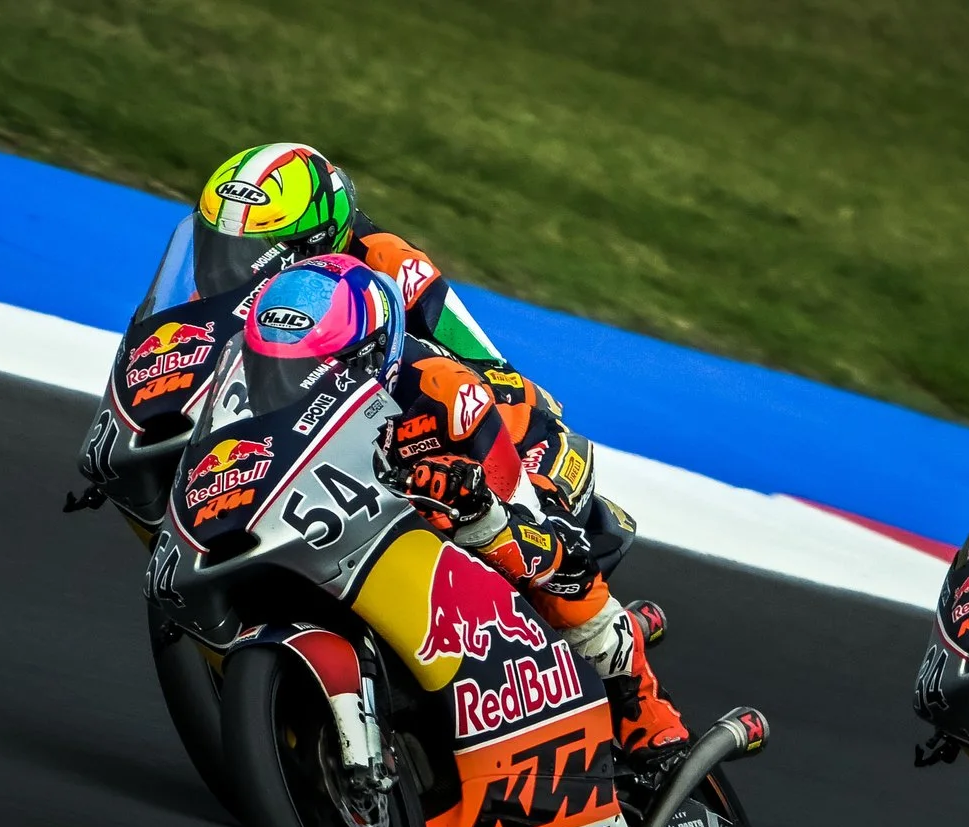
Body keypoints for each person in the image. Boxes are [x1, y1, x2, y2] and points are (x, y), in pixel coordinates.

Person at [237, 256, 688, 763]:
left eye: (316, 370)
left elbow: (517, 507)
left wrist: (471, 500)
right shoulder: (262, 390)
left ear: (367, 355)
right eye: (277, 368)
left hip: (528, 458)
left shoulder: (442, 394)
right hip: (412, 486)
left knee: (533, 558)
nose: (295, 383)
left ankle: (639, 699)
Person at [147, 142, 618, 548]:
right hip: (323, 408)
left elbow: (490, 366)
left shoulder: (391, 262)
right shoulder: (247, 292)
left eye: (247, 256)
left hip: (460, 421)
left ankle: (564, 583)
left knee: (504, 439)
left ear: (312, 243)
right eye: (217, 249)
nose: (226, 273)